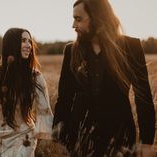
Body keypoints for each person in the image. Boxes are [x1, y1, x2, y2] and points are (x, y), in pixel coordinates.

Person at [52, 0, 156, 156]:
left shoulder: (130, 47)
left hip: (121, 138)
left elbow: (143, 98)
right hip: (80, 140)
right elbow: (64, 98)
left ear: (97, 17)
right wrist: (59, 137)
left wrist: (147, 142)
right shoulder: (71, 51)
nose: (73, 25)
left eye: (78, 19)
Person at [0, 28, 53, 157]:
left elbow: (44, 109)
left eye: (29, 41)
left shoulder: (35, 76)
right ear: (11, 45)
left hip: (24, 137)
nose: (28, 45)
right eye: (23, 41)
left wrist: (46, 136)